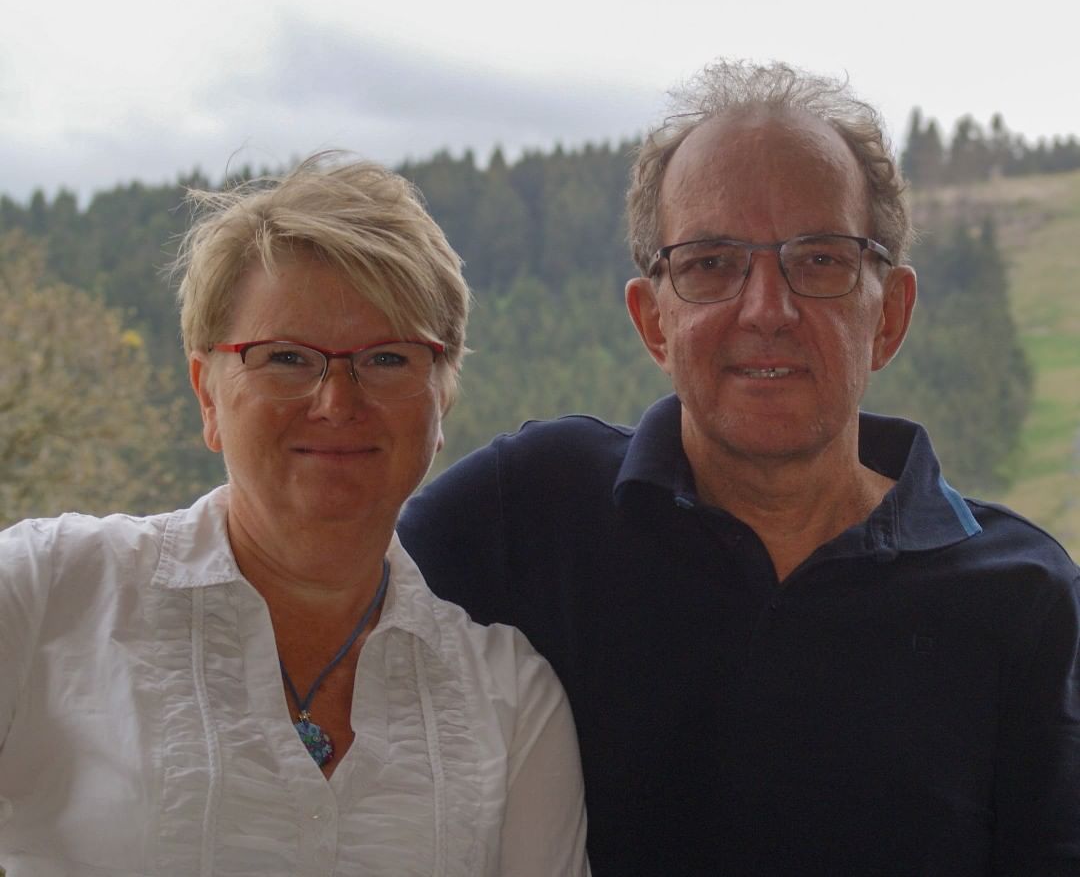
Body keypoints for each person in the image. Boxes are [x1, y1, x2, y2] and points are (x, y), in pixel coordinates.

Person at [399, 61, 1080, 876]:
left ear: (889, 316)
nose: (767, 309)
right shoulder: (533, 511)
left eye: (821, 259)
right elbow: (311, 592)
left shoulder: (1025, 598)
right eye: (712, 263)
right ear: (654, 322)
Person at [0, 156, 589, 876]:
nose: (337, 401)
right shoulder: (45, 595)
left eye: (387, 359)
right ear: (207, 395)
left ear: (443, 402)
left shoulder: (510, 699)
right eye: (284, 356)